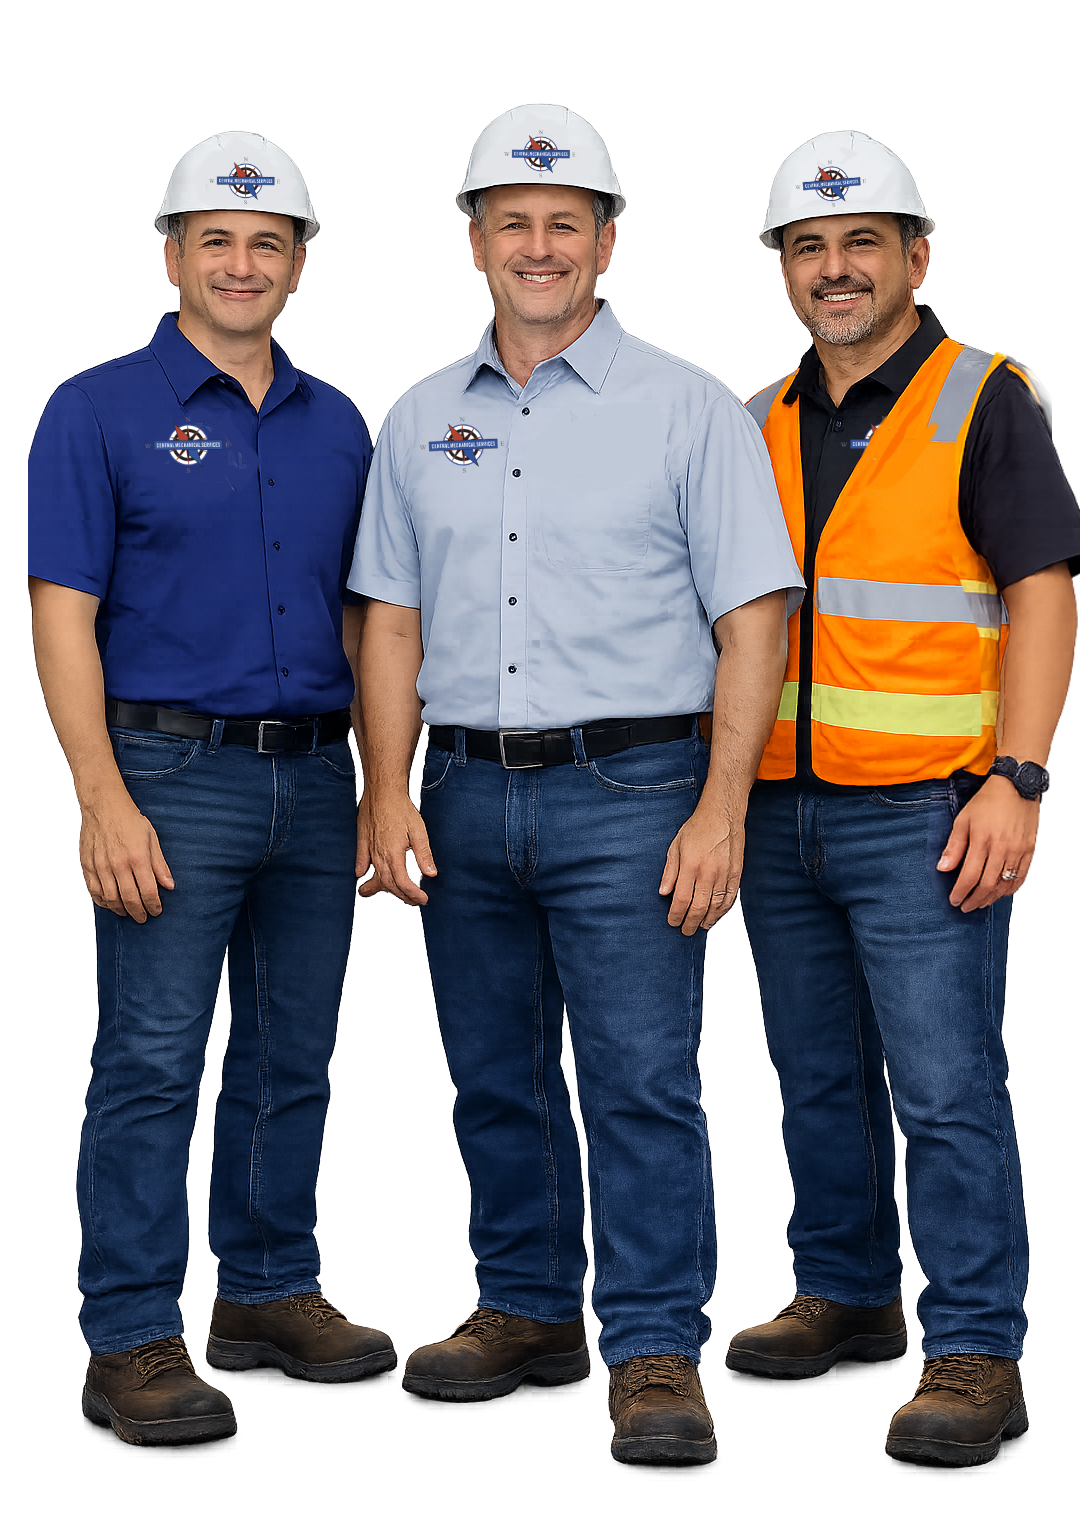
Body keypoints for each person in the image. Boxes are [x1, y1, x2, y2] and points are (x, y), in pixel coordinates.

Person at [349, 102, 804, 1470]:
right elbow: (387, 622)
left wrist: (721, 808)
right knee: (493, 1075)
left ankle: (656, 1348)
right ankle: (530, 1313)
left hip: (635, 791)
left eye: (564, 223)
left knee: (640, 1079)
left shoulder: (688, 408)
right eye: (511, 223)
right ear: (475, 244)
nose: (537, 245)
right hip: (462, 794)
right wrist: (386, 790)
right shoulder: (421, 417)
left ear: (605, 242)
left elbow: (756, 621)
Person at [28, 130, 395, 1446]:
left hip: (316, 774)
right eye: (216, 240)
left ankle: (265, 1293)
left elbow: (368, 621)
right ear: (174, 254)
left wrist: (378, 781)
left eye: (268, 243)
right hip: (168, 776)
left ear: (297, 268)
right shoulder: (96, 407)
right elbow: (59, 613)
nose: (241, 264)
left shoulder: (342, 420)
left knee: (292, 1058)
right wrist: (100, 798)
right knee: (151, 1059)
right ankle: (130, 1338)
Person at [728, 129, 1079, 1466]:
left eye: (860, 242)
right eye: (808, 247)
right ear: (784, 270)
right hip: (779, 810)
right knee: (817, 1077)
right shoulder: (752, 420)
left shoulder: (983, 397)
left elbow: (1043, 590)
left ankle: (978, 1352)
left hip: (928, 813)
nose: (834, 267)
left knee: (943, 1090)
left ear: (916, 258)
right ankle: (849, 1301)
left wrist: (1020, 777)